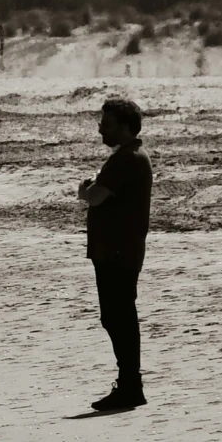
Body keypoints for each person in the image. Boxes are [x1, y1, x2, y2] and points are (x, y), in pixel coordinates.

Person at [77, 97, 153, 412]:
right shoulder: (128, 157)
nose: (100, 130)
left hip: (118, 252)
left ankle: (130, 386)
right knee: (116, 317)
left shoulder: (128, 158)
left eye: (106, 124)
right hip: (116, 250)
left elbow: (94, 196)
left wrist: (85, 190)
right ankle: (129, 385)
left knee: (119, 317)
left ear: (124, 126)